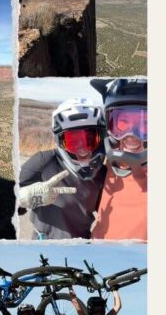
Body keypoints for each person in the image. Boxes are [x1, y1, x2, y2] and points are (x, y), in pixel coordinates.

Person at [18, 98, 107, 239]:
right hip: (44, 246)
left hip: (81, 246)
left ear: (101, 139)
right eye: (73, 142)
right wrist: (21, 198)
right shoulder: (44, 162)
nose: (82, 150)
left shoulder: (102, 173)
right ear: (60, 141)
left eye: (90, 141)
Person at [90, 78, 147, 240]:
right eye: (122, 123)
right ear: (109, 126)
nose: (131, 137)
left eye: (145, 124)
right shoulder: (105, 161)